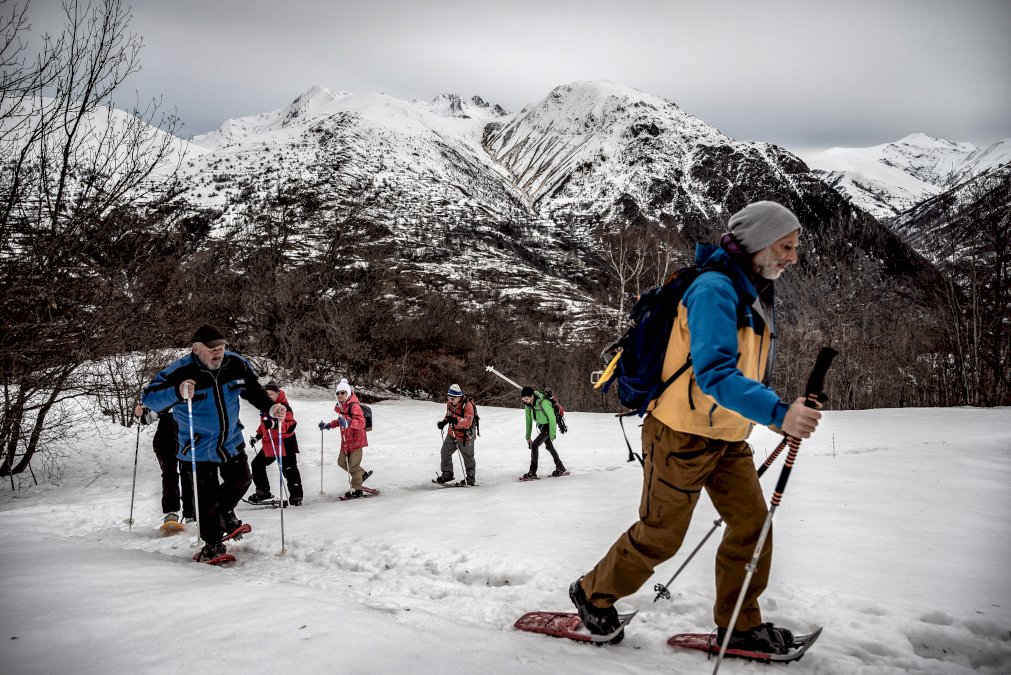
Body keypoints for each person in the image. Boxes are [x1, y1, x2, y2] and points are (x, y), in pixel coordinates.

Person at [568, 201, 823, 650]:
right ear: (760, 241)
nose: (793, 257)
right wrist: (780, 414)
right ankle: (591, 595)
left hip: (727, 437)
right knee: (661, 537)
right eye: (786, 245)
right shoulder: (714, 290)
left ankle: (740, 626)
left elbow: (744, 370)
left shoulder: (754, 288)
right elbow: (716, 374)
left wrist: (773, 409)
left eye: (794, 246)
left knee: (751, 526)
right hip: (679, 435)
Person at [141, 324, 286, 562]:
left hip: (230, 441)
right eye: (212, 349)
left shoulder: (235, 364)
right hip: (197, 447)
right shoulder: (180, 370)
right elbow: (150, 398)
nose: (218, 352)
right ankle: (213, 544)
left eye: (221, 347)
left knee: (242, 481)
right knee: (206, 497)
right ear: (196, 348)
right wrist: (177, 392)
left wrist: (271, 407)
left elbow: (253, 389)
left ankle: (225, 513)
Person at [132, 404, 194, 528]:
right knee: (169, 474)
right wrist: (141, 413)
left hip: (187, 436)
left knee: (188, 474)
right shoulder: (162, 391)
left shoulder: (193, 387)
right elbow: (149, 416)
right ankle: (171, 513)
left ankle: (191, 514)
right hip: (165, 439)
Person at [247, 381, 304, 506]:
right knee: (257, 464)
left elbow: (290, 425)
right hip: (270, 444)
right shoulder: (266, 406)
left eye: (271, 394)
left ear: (278, 394)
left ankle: (296, 496)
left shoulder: (283, 407)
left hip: (285, 444)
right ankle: (263, 492)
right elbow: (263, 424)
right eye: (266, 394)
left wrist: (275, 424)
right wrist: (257, 437)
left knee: (289, 470)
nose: (268, 396)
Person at [319, 379, 372, 499]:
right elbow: (340, 422)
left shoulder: (354, 406)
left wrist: (348, 422)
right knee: (342, 462)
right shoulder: (341, 407)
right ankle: (361, 474)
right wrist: (329, 425)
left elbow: (361, 422)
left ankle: (357, 489)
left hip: (356, 440)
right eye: (338, 393)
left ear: (348, 393)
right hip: (345, 441)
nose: (340, 395)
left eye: (343, 393)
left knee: (352, 465)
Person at [520, 386, 566, 479]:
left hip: (548, 426)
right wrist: (528, 437)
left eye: (527, 398)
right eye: (523, 399)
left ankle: (532, 472)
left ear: (532, 396)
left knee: (534, 445)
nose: (525, 401)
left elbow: (552, 418)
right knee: (549, 446)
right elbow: (528, 420)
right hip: (541, 426)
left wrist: (552, 434)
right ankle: (560, 467)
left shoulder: (543, 402)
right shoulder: (528, 405)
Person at [434, 383, 477, 485]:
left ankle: (470, 478)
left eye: (452, 398)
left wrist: (455, 420)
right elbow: (449, 415)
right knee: (445, 452)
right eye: (449, 398)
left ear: (459, 397)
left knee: (468, 456)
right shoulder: (450, 403)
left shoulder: (468, 405)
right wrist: (444, 422)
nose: (450, 400)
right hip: (452, 433)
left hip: (466, 435)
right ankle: (447, 474)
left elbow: (467, 422)